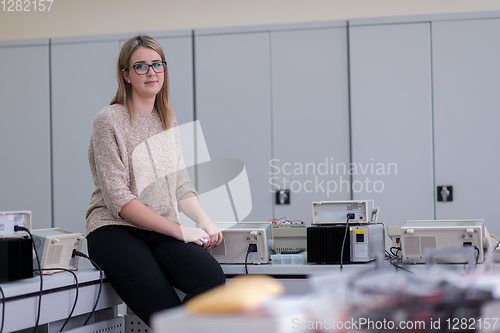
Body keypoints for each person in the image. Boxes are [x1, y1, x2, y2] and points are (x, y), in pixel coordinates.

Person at [85, 34, 226, 326]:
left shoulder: (167, 121)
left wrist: (205, 222)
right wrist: (179, 230)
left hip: (159, 233)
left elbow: (181, 186)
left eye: (157, 64)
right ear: (125, 75)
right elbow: (118, 199)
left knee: (212, 279)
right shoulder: (108, 120)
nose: (151, 72)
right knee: (167, 314)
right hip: (116, 231)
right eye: (140, 66)